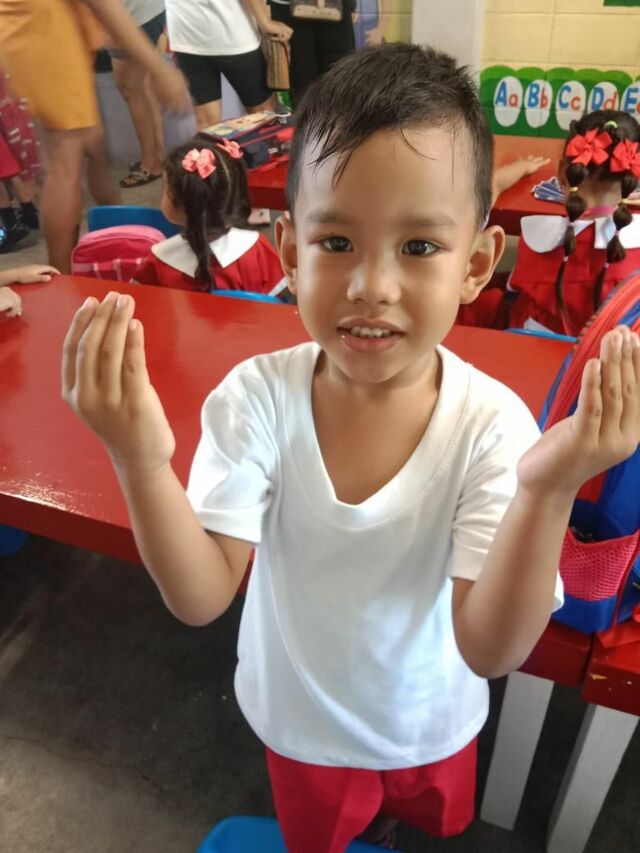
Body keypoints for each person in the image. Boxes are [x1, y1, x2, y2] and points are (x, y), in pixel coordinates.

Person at [61, 45, 640, 853]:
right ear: (289, 250)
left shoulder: (492, 427)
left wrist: (547, 492)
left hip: (430, 718)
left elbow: (488, 648)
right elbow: (201, 596)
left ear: (476, 264)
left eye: (419, 247)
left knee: (423, 828)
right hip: (304, 726)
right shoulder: (257, 399)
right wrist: (139, 458)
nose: (372, 285)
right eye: (336, 242)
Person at [0, 0, 190, 274]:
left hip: (43, 28)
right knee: (65, 161)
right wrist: (160, 69)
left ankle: (117, 238)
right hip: (43, 30)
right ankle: (61, 278)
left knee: (91, 145)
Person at [508, 110, 640, 337]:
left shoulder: (533, 243)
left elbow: (511, 290)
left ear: (562, 173)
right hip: (610, 352)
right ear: (633, 181)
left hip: (533, 343)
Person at [133, 139, 284, 293]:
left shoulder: (160, 259)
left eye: (165, 190)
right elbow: (278, 298)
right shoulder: (257, 248)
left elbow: (141, 298)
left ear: (183, 205)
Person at [167, 0, 292, 131]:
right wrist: (265, 22)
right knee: (262, 114)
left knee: (206, 122)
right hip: (231, 30)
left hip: (185, 28)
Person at [108, 1, 168, 188]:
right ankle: (157, 157)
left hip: (131, 16)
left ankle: (151, 163)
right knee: (141, 86)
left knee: (131, 88)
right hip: (137, 13)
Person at [269, 0, 355, 106]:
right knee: (301, 87)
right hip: (290, 9)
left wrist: (351, 6)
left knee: (339, 84)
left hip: (335, 7)